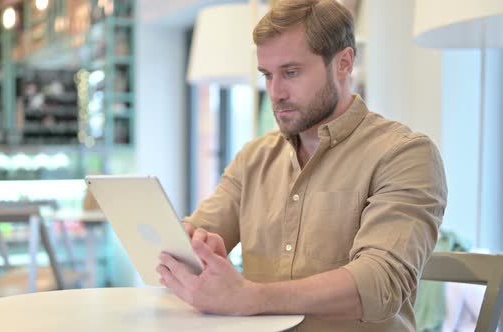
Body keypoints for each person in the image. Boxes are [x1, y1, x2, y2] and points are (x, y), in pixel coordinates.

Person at [156, 0, 447, 331]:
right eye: (267, 75)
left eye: (291, 72)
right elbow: (200, 233)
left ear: (343, 63)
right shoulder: (253, 158)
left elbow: (380, 283)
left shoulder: (404, 155)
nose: (275, 92)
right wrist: (193, 249)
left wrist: (249, 297)